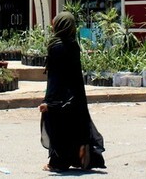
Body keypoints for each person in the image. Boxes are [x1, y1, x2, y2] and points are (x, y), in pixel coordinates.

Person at [38, 11, 106, 172]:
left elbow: (55, 77)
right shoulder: (73, 45)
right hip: (75, 95)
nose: (52, 27)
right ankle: (80, 151)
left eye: (55, 24)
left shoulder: (56, 47)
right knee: (74, 126)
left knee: (57, 127)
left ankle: (57, 163)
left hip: (59, 96)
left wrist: (49, 102)